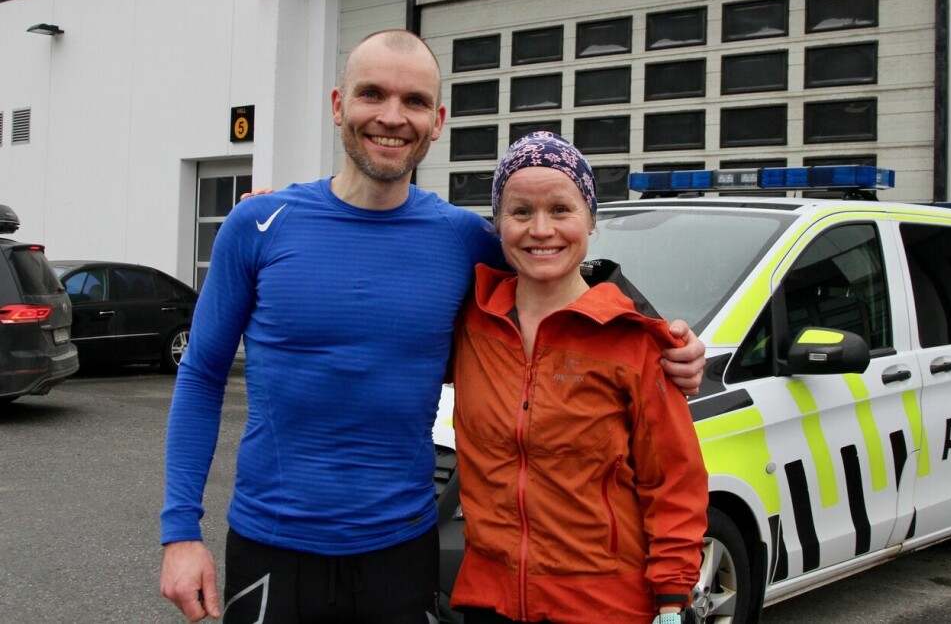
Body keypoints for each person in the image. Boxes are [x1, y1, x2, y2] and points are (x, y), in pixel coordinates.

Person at [159, 30, 706, 623]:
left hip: (401, 551)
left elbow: (560, 277)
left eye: (414, 101)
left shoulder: (464, 240)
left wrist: (665, 337)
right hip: (272, 546)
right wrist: (180, 531)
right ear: (339, 104)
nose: (392, 117)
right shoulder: (259, 225)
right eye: (372, 95)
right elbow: (202, 375)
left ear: (438, 119)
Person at [448, 132, 709, 624]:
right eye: (521, 212)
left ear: (591, 219)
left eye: (561, 210)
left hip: (603, 608)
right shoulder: (470, 322)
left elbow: (673, 481)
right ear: (498, 224)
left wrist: (673, 599)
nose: (540, 229)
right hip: (490, 601)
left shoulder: (635, 343)